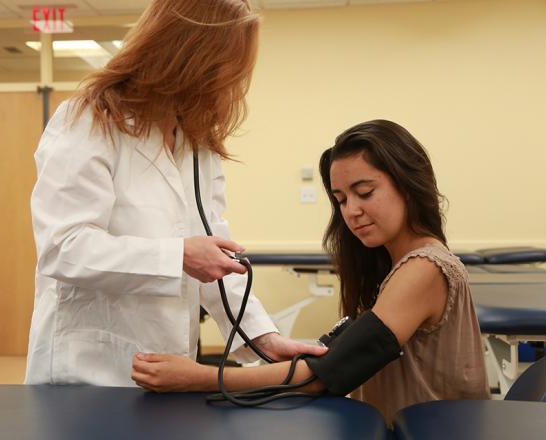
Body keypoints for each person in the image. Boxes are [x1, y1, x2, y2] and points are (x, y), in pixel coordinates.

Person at [24, 0, 326, 387]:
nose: (232, 83)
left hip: (167, 368)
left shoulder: (196, 143)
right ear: (190, 57)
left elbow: (216, 259)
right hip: (87, 368)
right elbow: (63, 247)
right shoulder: (88, 121)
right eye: (227, 67)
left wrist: (262, 338)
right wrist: (178, 256)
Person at [131, 120, 490, 422]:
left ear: (408, 185)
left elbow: (329, 375)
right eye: (341, 200)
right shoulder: (397, 264)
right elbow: (336, 358)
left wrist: (199, 377)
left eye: (364, 192)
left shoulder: (424, 268)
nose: (352, 211)